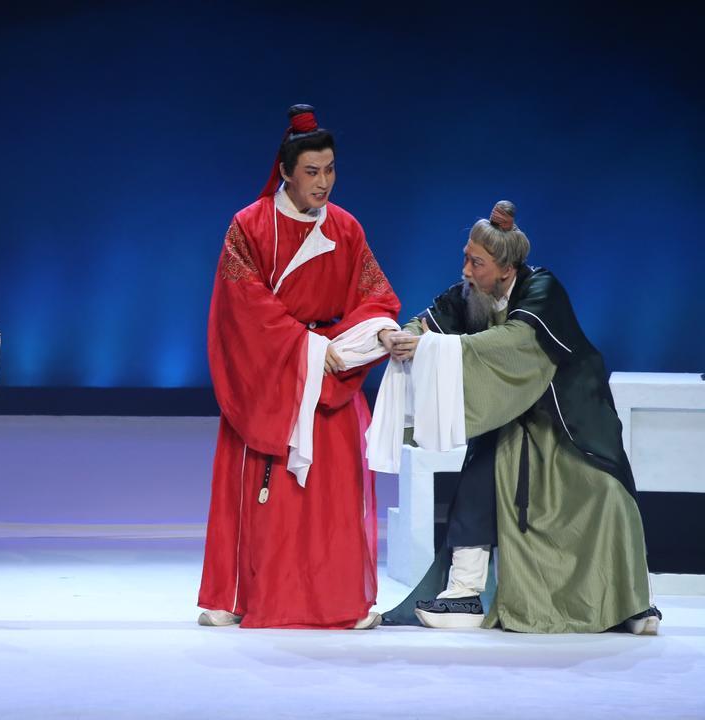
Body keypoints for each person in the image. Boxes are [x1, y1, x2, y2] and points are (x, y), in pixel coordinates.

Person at [380, 201, 659, 634]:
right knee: (482, 467)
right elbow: (426, 323)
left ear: (507, 269)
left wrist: (438, 348)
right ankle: (463, 592)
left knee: (609, 491)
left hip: (567, 418)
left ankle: (629, 602)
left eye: (477, 263)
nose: (466, 271)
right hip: (508, 417)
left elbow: (514, 343)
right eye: (466, 258)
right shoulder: (469, 296)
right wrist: (405, 337)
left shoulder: (543, 289)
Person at [197, 105, 401, 629]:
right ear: (286, 171)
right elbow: (242, 307)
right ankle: (238, 596)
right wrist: (305, 347)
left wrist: (378, 331)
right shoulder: (250, 225)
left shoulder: (346, 228)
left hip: (332, 374)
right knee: (265, 494)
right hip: (275, 375)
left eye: (330, 169)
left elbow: (374, 295)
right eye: (311, 171)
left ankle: (338, 600)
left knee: (333, 497)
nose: (323, 182)